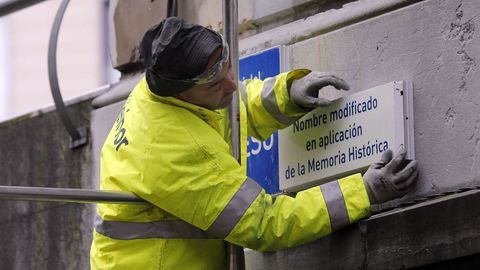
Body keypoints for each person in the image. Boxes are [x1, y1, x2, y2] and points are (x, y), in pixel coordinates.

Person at [90, 17, 418, 270]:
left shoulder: (162, 89)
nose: (233, 84)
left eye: (229, 69)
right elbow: (264, 224)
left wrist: (288, 95)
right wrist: (364, 192)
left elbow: (228, 111)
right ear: (181, 90)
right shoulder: (171, 150)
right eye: (217, 83)